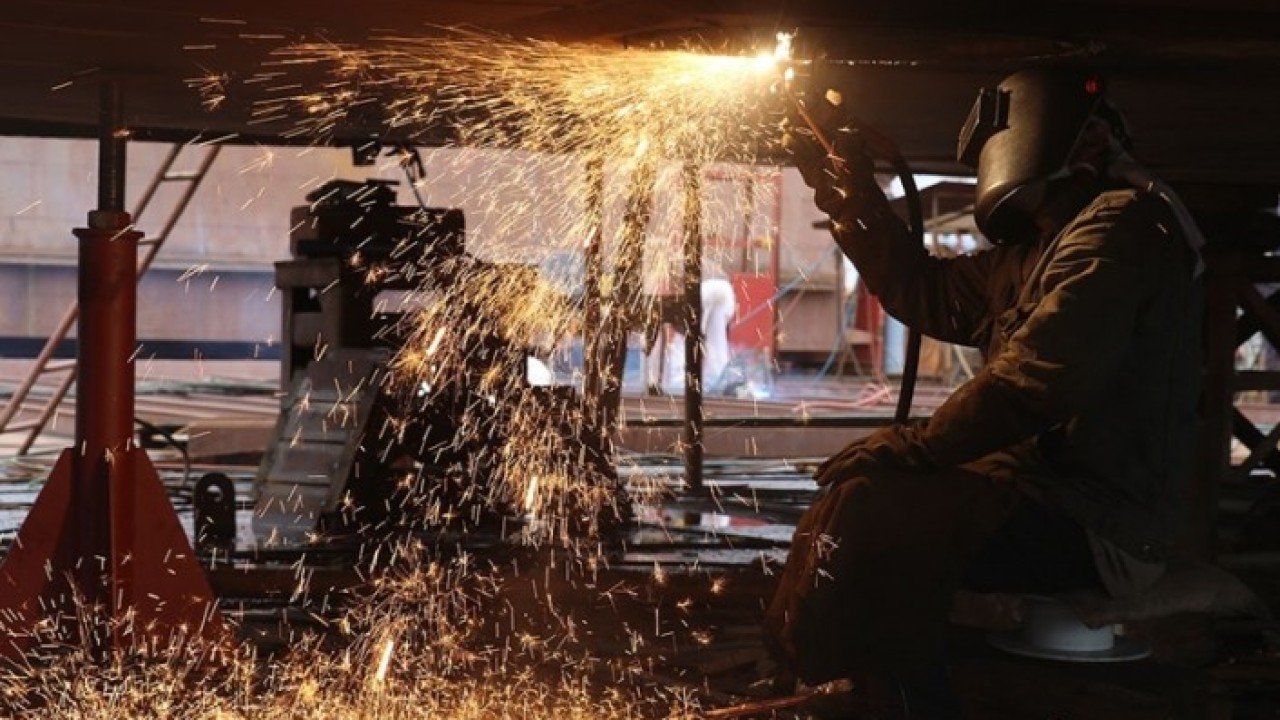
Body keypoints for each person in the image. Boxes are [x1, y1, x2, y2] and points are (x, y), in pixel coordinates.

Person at [764, 67, 1206, 718]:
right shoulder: (1034, 251)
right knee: (852, 503)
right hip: (1037, 493)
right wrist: (848, 191)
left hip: (1099, 521)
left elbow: (1036, 382)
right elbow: (923, 289)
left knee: (877, 515)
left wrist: (913, 447)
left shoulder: (1122, 229)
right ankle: (822, 681)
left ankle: (907, 704)